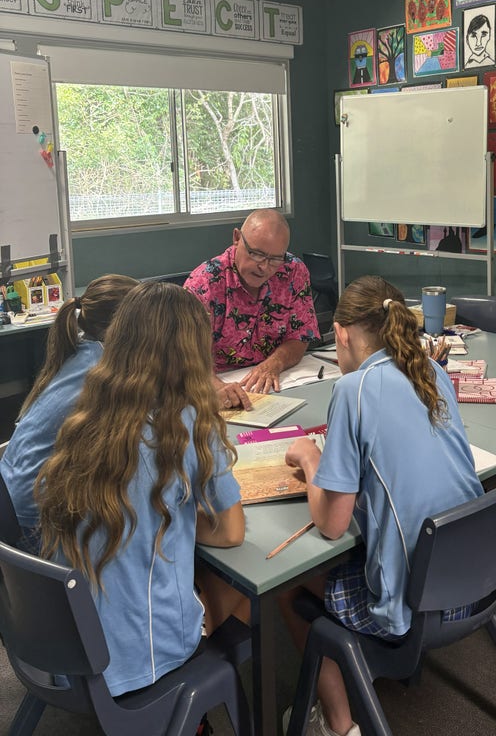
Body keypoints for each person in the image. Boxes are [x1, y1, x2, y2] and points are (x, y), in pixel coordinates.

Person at [280, 275, 483, 736]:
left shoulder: (352, 391)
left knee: (287, 590)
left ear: (343, 335)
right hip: (473, 579)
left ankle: (338, 724)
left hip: (413, 605)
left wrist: (312, 459)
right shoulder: (430, 371)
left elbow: (332, 525)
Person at [36, 281, 247, 698]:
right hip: (140, 661)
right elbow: (231, 531)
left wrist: (157, 524)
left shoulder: (85, 414)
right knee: (256, 593)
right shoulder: (187, 423)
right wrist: (176, 524)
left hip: (66, 646)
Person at [0, 273, 139, 546]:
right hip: (36, 523)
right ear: (123, 329)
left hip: (12, 502)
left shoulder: (82, 350)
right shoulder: (105, 374)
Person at [184, 208, 320, 405]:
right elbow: (186, 356)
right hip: (218, 384)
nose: (264, 267)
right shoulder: (204, 282)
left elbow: (300, 336)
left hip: (275, 384)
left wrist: (274, 363)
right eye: (257, 254)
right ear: (237, 238)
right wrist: (217, 387)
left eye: (274, 259)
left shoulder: (293, 271)